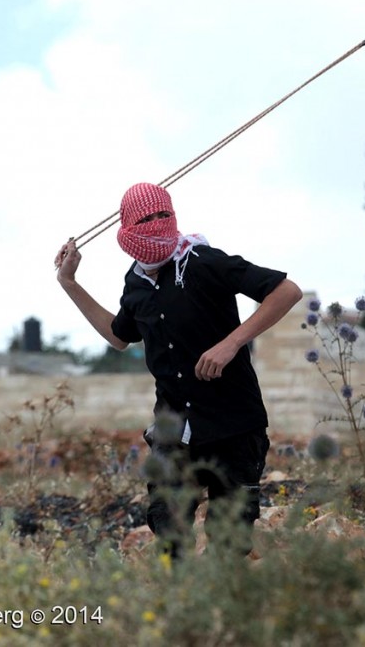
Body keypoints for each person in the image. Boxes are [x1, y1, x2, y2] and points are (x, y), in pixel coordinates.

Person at [54, 182, 302, 558]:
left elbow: (286, 291)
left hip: (234, 424)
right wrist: (69, 283)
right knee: (168, 527)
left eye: (163, 214)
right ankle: (181, 609)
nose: (157, 223)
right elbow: (120, 337)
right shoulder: (135, 283)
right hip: (174, 430)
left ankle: (226, 609)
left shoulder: (204, 261)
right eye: (146, 218)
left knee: (230, 540)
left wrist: (232, 342)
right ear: (127, 229)